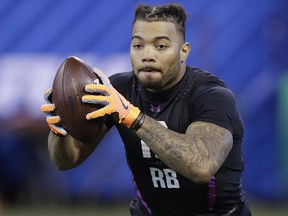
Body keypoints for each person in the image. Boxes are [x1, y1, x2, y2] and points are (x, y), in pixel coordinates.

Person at [41, 3, 252, 216]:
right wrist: (62, 127)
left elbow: (201, 167)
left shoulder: (212, 96)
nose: (147, 55)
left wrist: (132, 116)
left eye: (161, 46)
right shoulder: (119, 90)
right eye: (138, 45)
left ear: (183, 51)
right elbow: (66, 160)